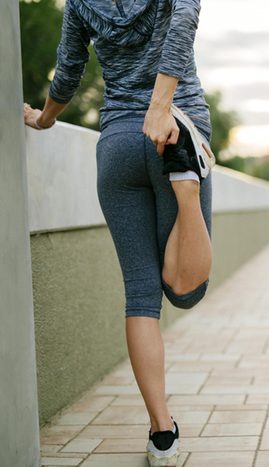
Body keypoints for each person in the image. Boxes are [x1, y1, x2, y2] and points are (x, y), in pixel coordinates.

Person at [23, 0, 212, 465]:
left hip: (117, 145)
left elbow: (69, 67)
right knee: (187, 290)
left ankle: (161, 433)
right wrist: (162, 104)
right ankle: (186, 190)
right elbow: (184, 20)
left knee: (141, 296)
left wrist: (44, 119)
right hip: (176, 128)